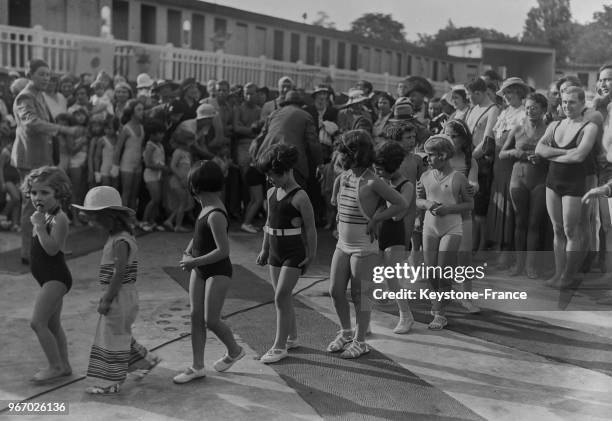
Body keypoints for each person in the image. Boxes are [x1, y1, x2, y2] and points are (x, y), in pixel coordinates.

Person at [327, 130, 407, 358]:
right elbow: (337, 203)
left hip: (364, 247)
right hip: (343, 243)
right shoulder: (344, 177)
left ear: (355, 154)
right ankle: (346, 331)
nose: (338, 156)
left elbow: (400, 203)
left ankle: (360, 340)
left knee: (361, 296)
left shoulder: (374, 181)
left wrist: (377, 218)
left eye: (342, 152)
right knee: (335, 291)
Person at [73, 186, 160, 394]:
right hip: (123, 295)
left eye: (95, 217)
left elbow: (119, 273)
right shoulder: (119, 236)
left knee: (111, 337)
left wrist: (107, 299)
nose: (92, 222)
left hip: (119, 296)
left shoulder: (121, 241)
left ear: (109, 217)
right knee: (118, 333)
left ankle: (109, 382)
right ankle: (145, 361)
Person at [174, 161, 245, 383]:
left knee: (211, 319)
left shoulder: (215, 213)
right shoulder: (205, 207)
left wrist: (195, 261)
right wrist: (188, 251)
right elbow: (199, 236)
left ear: (196, 187)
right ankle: (197, 366)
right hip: (200, 268)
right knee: (196, 317)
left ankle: (234, 350)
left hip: (217, 271)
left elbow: (223, 251)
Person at [11, 59, 85, 264]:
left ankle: (46, 247)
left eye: (48, 74)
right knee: (31, 206)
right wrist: (64, 129)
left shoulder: (38, 95)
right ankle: (28, 252)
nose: (46, 78)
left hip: (41, 157)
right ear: (29, 73)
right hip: (29, 158)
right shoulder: (25, 96)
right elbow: (31, 123)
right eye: (41, 74)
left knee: (43, 204)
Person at [256, 144, 317, 363]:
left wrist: (311, 255)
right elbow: (268, 222)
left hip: (293, 252)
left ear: (286, 171)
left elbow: (310, 228)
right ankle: (291, 337)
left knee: (281, 296)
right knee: (283, 297)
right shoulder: (272, 191)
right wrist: (264, 248)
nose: (270, 181)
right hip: (274, 250)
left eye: (273, 176)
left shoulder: (301, 196)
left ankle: (279, 346)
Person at [535, 86, 598, 288]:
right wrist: (564, 154)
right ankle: (558, 273)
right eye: (564, 102)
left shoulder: (589, 127)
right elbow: (539, 149)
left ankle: (568, 277)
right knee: (557, 229)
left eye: (572, 102)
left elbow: (580, 156)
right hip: (552, 182)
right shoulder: (554, 124)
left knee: (572, 231)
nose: (567, 106)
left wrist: (551, 153)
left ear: (582, 104)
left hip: (574, 183)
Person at [417, 135, 474, 329]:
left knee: (443, 269)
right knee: (431, 270)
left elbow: (470, 203)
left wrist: (449, 209)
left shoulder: (458, 177)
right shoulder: (425, 176)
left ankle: (440, 312)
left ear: (442, 155)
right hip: (430, 227)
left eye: (431, 155)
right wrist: (427, 204)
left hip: (452, 227)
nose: (428, 159)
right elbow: (418, 200)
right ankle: (438, 304)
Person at [22, 166, 73, 382]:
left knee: (37, 323)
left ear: (58, 193)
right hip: (47, 278)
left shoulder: (59, 219)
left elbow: (53, 249)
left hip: (56, 278)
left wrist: (40, 227)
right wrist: (39, 223)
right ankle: (65, 365)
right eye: (34, 193)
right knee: (52, 324)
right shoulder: (42, 216)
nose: (38, 197)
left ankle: (55, 366)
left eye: (45, 193)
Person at [500, 93, 549, 278]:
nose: (530, 111)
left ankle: (531, 266)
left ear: (544, 110)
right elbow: (502, 154)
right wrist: (516, 152)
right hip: (518, 178)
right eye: (527, 107)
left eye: (534, 107)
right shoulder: (517, 129)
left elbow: (556, 155)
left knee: (535, 223)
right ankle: (518, 265)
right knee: (520, 221)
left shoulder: (549, 129)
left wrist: (543, 156)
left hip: (540, 178)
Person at [373, 141, 415, 333]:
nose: (379, 173)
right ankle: (365, 320)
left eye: (382, 170)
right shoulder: (381, 182)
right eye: (377, 170)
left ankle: (406, 316)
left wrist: (383, 189)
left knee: (393, 278)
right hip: (377, 233)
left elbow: (397, 213)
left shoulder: (406, 186)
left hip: (395, 234)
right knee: (372, 275)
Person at [487, 77, 528, 268]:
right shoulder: (505, 112)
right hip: (498, 163)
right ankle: (499, 246)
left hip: (511, 164)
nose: (507, 96)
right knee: (499, 203)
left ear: (519, 91)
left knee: (511, 207)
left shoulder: (523, 113)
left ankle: (508, 251)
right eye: (505, 93)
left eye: (510, 92)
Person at [443, 119, 480, 313]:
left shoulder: (469, 160)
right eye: (447, 134)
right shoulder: (439, 159)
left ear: (464, 140)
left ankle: (467, 297)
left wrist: (471, 188)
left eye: (455, 136)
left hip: (463, 213)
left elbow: (474, 182)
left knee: (464, 256)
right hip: (440, 215)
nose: (450, 139)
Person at [252, 90, 322, 189]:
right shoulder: (306, 116)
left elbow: (259, 138)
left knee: (273, 196)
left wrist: (255, 159)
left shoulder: (274, 113)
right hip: (293, 162)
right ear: (300, 104)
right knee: (295, 197)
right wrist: (320, 164)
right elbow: (313, 144)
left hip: (268, 159)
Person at [464, 78, 500, 254]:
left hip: (481, 162)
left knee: (480, 208)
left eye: (469, 95)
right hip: (468, 160)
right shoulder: (472, 108)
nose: (468, 99)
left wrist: (469, 159)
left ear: (478, 93)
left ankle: (481, 246)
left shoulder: (493, 110)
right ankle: (470, 244)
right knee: (468, 206)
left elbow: (486, 142)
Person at [113, 99, 145, 211]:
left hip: (138, 164)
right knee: (126, 193)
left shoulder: (141, 127)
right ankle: (123, 219)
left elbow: (141, 147)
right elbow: (118, 148)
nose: (142, 112)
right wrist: (115, 166)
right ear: (132, 112)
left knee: (134, 194)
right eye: (139, 109)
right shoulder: (126, 128)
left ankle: (132, 219)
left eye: (142, 109)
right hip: (126, 164)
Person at [141, 121, 168, 231]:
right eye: (159, 133)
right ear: (152, 134)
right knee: (155, 199)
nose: (162, 135)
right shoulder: (150, 146)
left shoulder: (160, 144)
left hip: (158, 174)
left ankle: (152, 221)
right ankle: (144, 221)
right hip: (151, 175)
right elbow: (147, 163)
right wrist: (161, 168)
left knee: (158, 199)